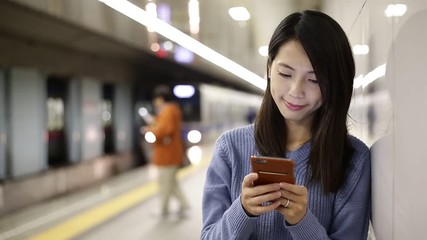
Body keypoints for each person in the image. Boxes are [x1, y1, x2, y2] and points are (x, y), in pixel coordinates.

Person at [201, 10, 371, 240]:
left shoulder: (354, 159)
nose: (295, 92)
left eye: (314, 80)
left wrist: (303, 222)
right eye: (285, 73)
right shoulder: (230, 148)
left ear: (335, 84)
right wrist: (242, 210)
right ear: (269, 68)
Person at [143, 85, 189, 217]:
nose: (154, 102)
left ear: (160, 99)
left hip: (167, 154)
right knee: (171, 182)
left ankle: (163, 208)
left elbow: (164, 131)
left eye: (155, 99)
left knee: (164, 183)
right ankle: (184, 204)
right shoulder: (170, 110)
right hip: (171, 153)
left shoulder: (168, 111)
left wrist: (149, 130)